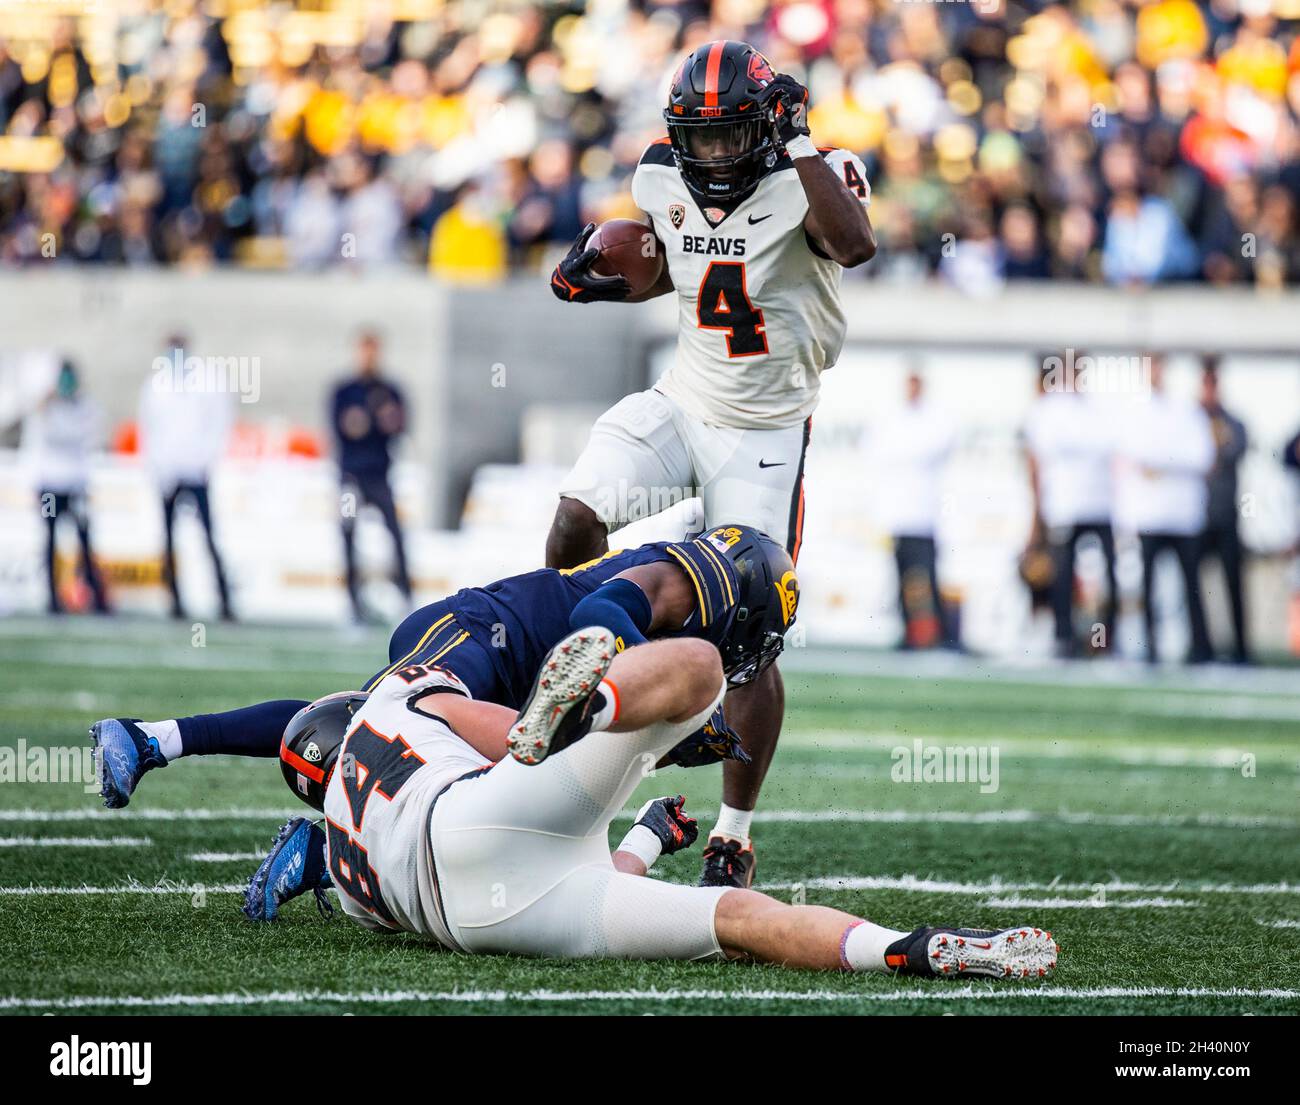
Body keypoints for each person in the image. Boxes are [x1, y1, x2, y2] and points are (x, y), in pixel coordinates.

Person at [242, 627, 1057, 981]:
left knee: (731, 920)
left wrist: (640, 834)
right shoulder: (395, 701)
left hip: (487, 918)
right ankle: (599, 705)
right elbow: (517, 743)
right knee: (701, 668)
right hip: (472, 814)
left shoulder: (348, 887)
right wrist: (619, 745)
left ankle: (909, 951)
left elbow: (567, 870)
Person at [547, 41, 876, 888]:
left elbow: (854, 243)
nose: (714, 155)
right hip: (682, 402)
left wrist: (799, 143)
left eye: (731, 137)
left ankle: (733, 830)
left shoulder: (818, 173)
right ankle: (568, 696)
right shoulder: (660, 175)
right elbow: (694, 274)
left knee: (751, 642)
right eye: (701, 138)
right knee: (573, 524)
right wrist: (611, 280)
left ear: (768, 126)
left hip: (764, 434)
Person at [89, 525, 795, 817]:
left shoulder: (701, 604)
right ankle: (151, 738)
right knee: (373, 727)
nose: (752, 653)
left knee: (443, 772)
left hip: (509, 681)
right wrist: (645, 677)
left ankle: (321, 852)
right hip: (483, 634)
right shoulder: (696, 581)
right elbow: (607, 612)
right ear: (747, 591)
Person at [1116, 354, 1214, 663]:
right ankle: (1148, 649)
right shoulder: (1134, 412)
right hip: (1149, 515)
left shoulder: (1186, 411)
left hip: (1183, 516)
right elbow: (1131, 456)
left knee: (1192, 586)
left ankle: (1201, 649)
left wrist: (1159, 462)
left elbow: (1201, 457)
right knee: (1147, 587)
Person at [1023, 354, 1117, 657]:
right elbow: (1036, 463)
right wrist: (1037, 510)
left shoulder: (1097, 407)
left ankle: (1103, 640)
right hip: (1064, 505)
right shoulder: (1049, 409)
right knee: (1061, 575)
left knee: (1107, 574)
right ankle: (1064, 637)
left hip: (1099, 505)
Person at [138, 335, 234, 621]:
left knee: (209, 537)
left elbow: (220, 422)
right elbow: (148, 429)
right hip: (168, 473)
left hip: (197, 471)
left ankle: (225, 600)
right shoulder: (154, 386)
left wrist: (206, 460)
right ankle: (175, 601)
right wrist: (157, 468)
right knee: (167, 538)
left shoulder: (207, 381)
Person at [870, 370, 959, 650]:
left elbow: (934, 448)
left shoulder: (933, 419)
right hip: (898, 516)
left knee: (929, 576)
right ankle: (909, 631)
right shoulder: (893, 420)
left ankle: (942, 632)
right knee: (900, 578)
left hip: (923, 515)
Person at [331, 329, 412, 622]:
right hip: (351, 476)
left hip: (379, 475)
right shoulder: (344, 390)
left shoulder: (389, 389)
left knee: (396, 534)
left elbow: (399, 425)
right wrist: (375, 421)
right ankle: (352, 602)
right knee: (348, 535)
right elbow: (347, 427)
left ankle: (405, 595)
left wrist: (374, 421)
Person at [22, 359, 110, 614]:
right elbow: (42, 436)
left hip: (75, 485)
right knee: (50, 538)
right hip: (50, 486)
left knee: (84, 538)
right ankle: (52, 598)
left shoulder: (85, 406)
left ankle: (95, 595)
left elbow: (88, 437)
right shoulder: (45, 407)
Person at [1198, 357, 1250, 663]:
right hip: (1197, 518)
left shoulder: (1233, 422)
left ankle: (1241, 649)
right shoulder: (1192, 420)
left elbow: (1234, 450)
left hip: (1226, 515)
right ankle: (1202, 647)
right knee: (1195, 588)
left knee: (1233, 584)